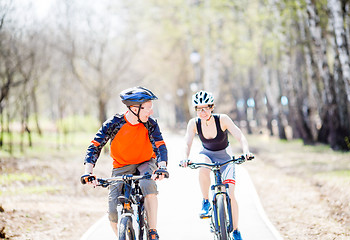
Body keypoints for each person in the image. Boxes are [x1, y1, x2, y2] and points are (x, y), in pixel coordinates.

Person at [81, 86, 168, 240]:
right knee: (113, 212)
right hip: (121, 166)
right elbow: (95, 145)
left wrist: (162, 167)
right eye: (148, 108)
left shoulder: (150, 124)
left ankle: (153, 232)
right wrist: (88, 171)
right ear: (135, 108)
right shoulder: (114, 123)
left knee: (147, 184)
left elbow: (160, 145)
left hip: (145, 162)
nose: (151, 112)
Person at [180, 90, 253, 240]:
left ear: (212, 107)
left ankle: (236, 230)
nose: (203, 112)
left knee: (231, 194)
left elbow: (239, 135)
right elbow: (187, 142)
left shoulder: (223, 120)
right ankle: (206, 201)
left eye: (206, 108)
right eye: (199, 109)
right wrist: (184, 158)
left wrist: (246, 151)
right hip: (207, 155)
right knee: (202, 166)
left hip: (225, 157)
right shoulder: (194, 123)